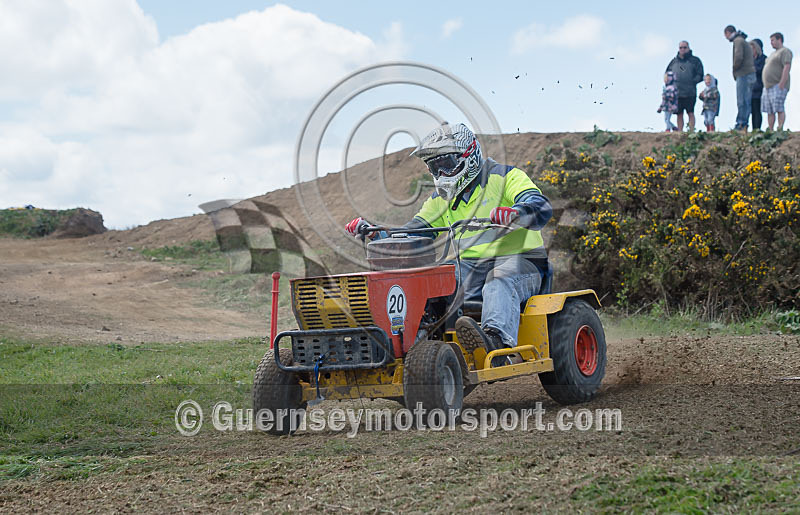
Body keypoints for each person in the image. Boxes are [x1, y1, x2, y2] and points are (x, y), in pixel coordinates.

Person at [345, 122, 553, 366]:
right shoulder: (441, 199)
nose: (442, 174)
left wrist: (516, 212)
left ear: (470, 155)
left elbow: (540, 205)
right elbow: (414, 232)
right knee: (431, 281)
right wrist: (376, 233)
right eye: (436, 167)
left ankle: (495, 346)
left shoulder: (507, 177)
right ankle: (419, 345)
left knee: (498, 280)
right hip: (468, 266)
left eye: (447, 165)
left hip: (523, 261)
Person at [665, 41, 704, 131]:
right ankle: (680, 132)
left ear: (688, 48)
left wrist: (692, 82)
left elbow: (700, 74)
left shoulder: (695, 61)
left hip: (690, 91)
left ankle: (691, 131)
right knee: (679, 113)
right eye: (681, 47)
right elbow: (667, 74)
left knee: (690, 112)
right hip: (677, 92)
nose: (682, 49)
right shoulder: (674, 62)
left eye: (684, 47)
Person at [724, 25, 756, 131]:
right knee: (746, 100)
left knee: (742, 100)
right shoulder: (743, 40)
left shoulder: (738, 41)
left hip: (743, 73)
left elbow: (738, 57)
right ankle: (744, 123)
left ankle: (741, 123)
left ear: (728, 33)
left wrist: (734, 69)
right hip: (749, 73)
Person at [762, 32, 793, 131]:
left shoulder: (785, 51)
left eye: (773, 40)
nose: (771, 43)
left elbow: (787, 66)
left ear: (779, 39)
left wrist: (782, 83)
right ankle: (770, 129)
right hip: (767, 86)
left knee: (778, 108)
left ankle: (780, 127)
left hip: (778, 84)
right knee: (769, 110)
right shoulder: (771, 54)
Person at [751, 39, 766, 130]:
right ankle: (753, 129)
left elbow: (762, 71)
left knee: (757, 110)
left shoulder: (764, 59)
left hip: (759, 87)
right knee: (753, 110)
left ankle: (757, 129)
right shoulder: (750, 60)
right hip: (751, 89)